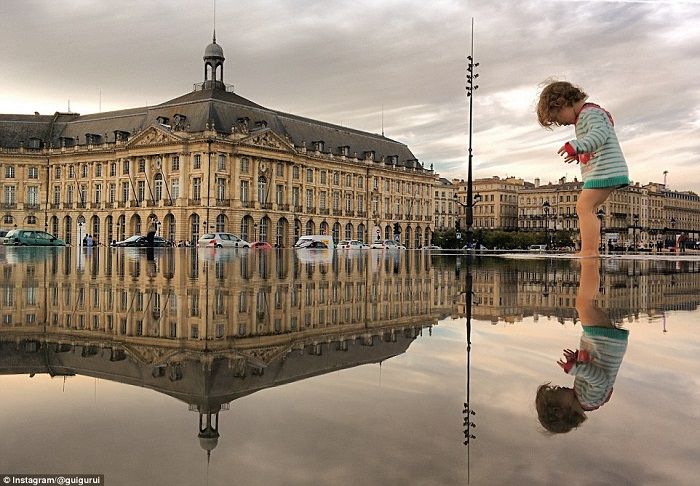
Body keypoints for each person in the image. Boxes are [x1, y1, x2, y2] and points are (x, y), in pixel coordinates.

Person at [537, 80, 630, 257]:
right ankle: (591, 249)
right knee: (588, 208)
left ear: (563, 102)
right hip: (605, 169)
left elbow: (599, 135)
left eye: (557, 117)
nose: (560, 123)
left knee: (583, 207)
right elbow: (597, 142)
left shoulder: (589, 114)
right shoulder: (589, 114)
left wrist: (577, 146)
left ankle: (588, 250)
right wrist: (579, 154)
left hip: (605, 171)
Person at [535, 259, 629, 433]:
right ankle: (589, 259)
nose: (559, 387)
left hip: (603, 344)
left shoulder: (583, 398)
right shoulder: (589, 399)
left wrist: (578, 359)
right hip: (605, 343)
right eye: (557, 392)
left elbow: (592, 370)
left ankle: (590, 261)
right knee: (583, 304)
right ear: (562, 410)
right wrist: (575, 369)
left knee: (586, 304)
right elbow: (600, 379)